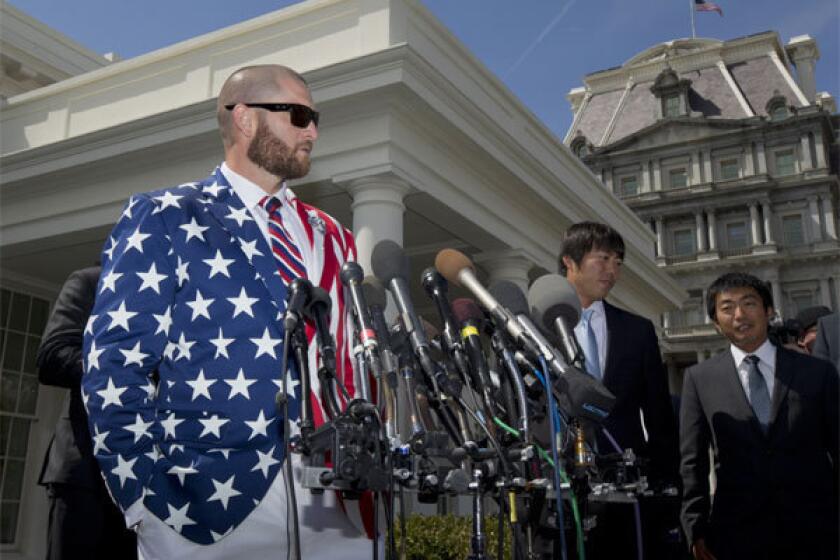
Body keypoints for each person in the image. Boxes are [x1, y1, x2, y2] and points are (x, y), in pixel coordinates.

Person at [82, 65, 370, 559]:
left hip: (338, 501)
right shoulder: (166, 215)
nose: (313, 131)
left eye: (316, 118)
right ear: (245, 119)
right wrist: (144, 501)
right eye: (299, 115)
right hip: (207, 504)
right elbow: (114, 364)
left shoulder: (334, 236)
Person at [680, 272, 838, 560]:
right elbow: (693, 462)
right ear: (716, 322)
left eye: (749, 303)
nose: (739, 314)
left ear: (769, 311)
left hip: (816, 528)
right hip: (737, 532)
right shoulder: (699, 379)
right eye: (727, 308)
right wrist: (695, 527)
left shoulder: (817, 372)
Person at [559, 221, 681, 558]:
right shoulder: (535, 329)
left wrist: (666, 486)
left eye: (618, 262)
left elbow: (659, 417)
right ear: (570, 261)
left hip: (626, 493)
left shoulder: (638, 331)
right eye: (602, 259)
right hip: (559, 495)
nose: (612, 270)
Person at [37, 265, 138, 560]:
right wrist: (126, 372)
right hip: (83, 474)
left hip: (146, 485)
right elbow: (52, 356)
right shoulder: (90, 282)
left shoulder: (179, 303)